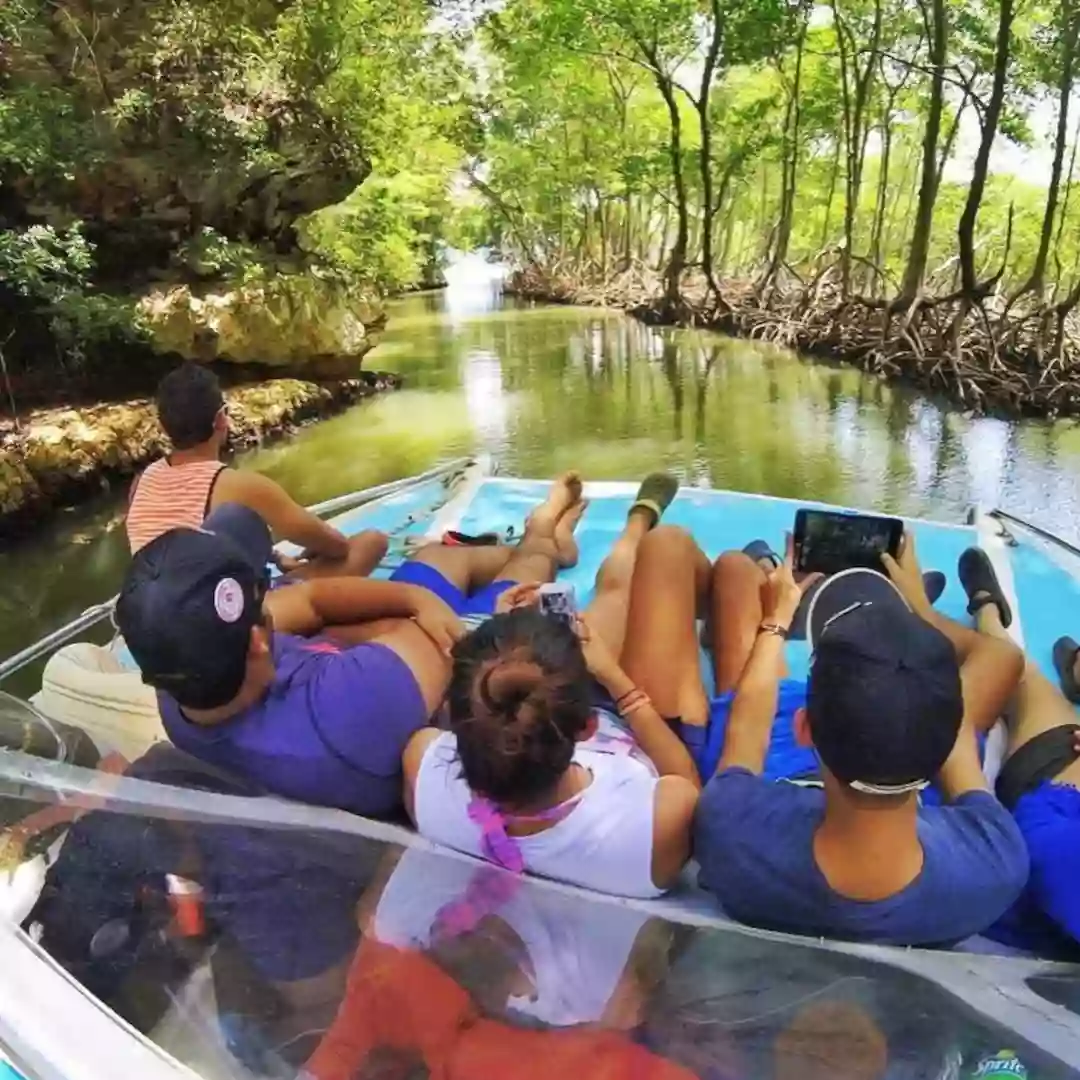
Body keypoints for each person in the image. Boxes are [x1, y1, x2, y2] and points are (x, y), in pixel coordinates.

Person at [115, 474, 586, 818]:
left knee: (437, 558)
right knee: (521, 578)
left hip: (385, 659)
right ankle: (543, 534)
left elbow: (311, 600)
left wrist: (414, 598)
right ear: (258, 640)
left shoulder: (178, 680)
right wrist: (404, 612)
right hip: (448, 658)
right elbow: (441, 639)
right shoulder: (346, 709)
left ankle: (528, 544)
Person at [693, 534, 1031, 946]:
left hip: (784, 761)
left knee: (734, 569)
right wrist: (919, 623)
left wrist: (777, 621)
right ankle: (973, 608)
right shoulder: (997, 863)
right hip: (884, 749)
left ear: (804, 727)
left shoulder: (728, 828)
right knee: (1004, 656)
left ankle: (774, 587)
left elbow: (747, 733)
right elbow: (958, 745)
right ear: (943, 745)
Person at [403, 475, 704, 899]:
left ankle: (633, 528)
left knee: (610, 603)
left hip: (557, 713)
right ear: (586, 726)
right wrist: (615, 681)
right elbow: (686, 784)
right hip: (638, 723)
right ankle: (638, 525)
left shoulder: (424, 775)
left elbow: (481, 716)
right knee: (627, 585)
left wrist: (502, 639)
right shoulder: (656, 825)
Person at [126, 361, 387, 579]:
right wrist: (316, 549)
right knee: (370, 543)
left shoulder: (141, 482)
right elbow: (337, 547)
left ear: (164, 425)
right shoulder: (238, 486)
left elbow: (184, 536)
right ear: (221, 419)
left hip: (149, 615)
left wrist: (275, 556)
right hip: (214, 619)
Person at [959, 550, 1080, 956]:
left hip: (1052, 787)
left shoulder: (1055, 848)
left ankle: (987, 611)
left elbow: (1039, 838)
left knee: (1014, 670)